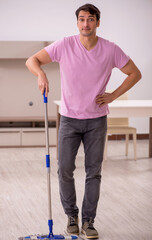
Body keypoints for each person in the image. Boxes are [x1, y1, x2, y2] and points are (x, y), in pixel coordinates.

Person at [25, 3, 141, 239]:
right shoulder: (65, 44)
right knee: (64, 170)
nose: (85, 23)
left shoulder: (110, 49)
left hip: (96, 120)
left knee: (93, 172)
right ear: (77, 22)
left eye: (90, 19)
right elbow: (32, 60)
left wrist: (113, 95)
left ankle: (88, 221)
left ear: (98, 22)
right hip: (69, 119)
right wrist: (41, 73)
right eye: (81, 19)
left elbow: (135, 73)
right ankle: (71, 216)